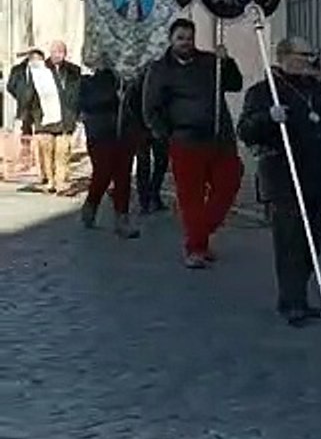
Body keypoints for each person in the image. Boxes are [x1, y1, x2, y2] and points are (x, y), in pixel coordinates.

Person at [238, 37, 321, 327]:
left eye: (312, 54)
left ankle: (299, 294)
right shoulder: (264, 91)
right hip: (284, 179)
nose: (311, 59)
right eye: (305, 54)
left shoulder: (317, 90)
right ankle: (292, 301)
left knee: (313, 242)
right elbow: (245, 130)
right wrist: (267, 118)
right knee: (290, 242)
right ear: (285, 56)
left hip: (316, 178)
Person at [143, 18, 243, 269]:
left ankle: (201, 231)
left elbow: (235, 84)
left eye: (189, 38)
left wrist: (227, 62)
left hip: (219, 136)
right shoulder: (160, 70)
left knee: (229, 182)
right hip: (185, 141)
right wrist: (166, 135)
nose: (185, 43)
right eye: (180, 38)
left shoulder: (209, 62)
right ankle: (196, 248)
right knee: (191, 197)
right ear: (171, 40)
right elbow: (151, 107)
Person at [77, 58, 143, 239]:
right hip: (100, 134)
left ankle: (122, 218)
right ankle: (91, 204)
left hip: (125, 133)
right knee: (103, 173)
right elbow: (89, 104)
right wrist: (115, 96)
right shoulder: (89, 82)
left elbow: (139, 104)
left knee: (123, 176)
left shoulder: (129, 82)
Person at [18, 43, 82, 195]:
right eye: (54, 51)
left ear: (65, 53)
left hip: (65, 118)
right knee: (47, 153)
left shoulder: (74, 71)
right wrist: (27, 118)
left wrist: (77, 114)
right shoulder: (40, 70)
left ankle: (60, 183)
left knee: (63, 153)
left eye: (60, 51)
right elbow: (29, 93)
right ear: (50, 53)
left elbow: (79, 93)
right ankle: (50, 181)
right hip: (43, 119)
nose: (57, 54)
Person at [134, 57, 170, 214]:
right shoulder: (137, 84)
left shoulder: (162, 83)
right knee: (146, 164)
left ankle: (151, 195)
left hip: (156, 127)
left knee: (159, 162)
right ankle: (147, 198)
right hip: (143, 128)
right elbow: (131, 106)